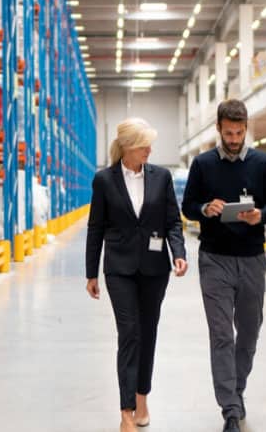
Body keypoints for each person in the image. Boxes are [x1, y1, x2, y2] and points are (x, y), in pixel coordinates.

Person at [182, 99, 266, 432]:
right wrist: (205, 208)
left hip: (252, 259)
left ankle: (237, 390)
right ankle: (229, 408)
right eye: (229, 132)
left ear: (246, 128)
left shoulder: (263, 163)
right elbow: (188, 207)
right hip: (214, 259)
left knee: (250, 333)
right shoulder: (202, 164)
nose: (235, 138)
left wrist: (260, 215)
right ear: (219, 128)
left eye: (240, 132)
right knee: (222, 335)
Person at [85, 117, 188, 432]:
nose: (150, 149)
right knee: (129, 333)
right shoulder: (104, 180)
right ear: (128, 147)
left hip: (155, 269)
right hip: (119, 269)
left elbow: (173, 220)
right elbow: (96, 227)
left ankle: (143, 395)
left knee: (148, 332)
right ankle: (126, 409)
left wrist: (179, 253)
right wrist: (91, 273)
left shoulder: (162, 177)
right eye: (144, 144)